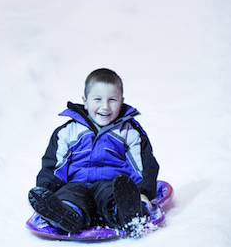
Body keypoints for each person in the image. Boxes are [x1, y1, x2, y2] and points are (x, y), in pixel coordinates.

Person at [28, 68, 159, 233]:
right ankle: (65, 215)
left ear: (122, 101)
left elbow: (143, 166)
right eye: (98, 99)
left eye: (112, 100)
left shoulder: (129, 131)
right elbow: (54, 165)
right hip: (76, 185)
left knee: (112, 196)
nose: (105, 107)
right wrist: (48, 191)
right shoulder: (68, 132)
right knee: (69, 196)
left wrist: (142, 193)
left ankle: (127, 212)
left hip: (111, 184)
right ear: (85, 100)